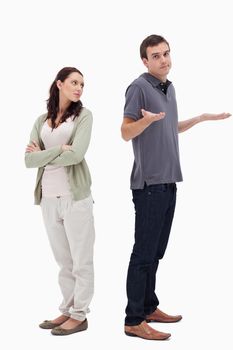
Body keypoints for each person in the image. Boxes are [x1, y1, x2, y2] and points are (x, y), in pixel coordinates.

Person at [121, 34, 231, 341]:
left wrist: (200, 118)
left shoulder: (168, 87)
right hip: (149, 184)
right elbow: (125, 132)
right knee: (143, 253)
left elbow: (169, 126)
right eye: (156, 56)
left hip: (169, 182)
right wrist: (146, 121)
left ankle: (148, 306)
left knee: (156, 252)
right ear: (145, 61)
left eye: (166, 53)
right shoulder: (139, 87)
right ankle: (133, 320)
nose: (164, 60)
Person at [25, 67, 95, 336]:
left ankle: (80, 315)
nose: (79, 88)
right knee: (63, 260)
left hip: (75, 197)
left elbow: (76, 155)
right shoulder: (42, 119)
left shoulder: (84, 117)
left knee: (81, 260)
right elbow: (28, 160)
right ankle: (67, 309)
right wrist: (58, 150)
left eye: (82, 84)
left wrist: (45, 153)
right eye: (74, 82)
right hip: (48, 198)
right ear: (59, 84)